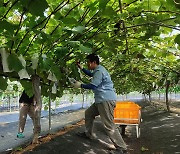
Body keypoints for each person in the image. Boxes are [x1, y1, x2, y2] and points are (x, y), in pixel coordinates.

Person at [72, 54, 128, 154]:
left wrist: (80, 85)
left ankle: (121, 148)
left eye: (88, 62)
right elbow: (90, 74)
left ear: (94, 62)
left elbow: (93, 85)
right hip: (100, 100)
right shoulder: (98, 70)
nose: (88, 64)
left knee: (108, 125)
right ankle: (88, 134)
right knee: (89, 113)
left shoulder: (99, 71)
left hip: (105, 100)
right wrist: (81, 68)